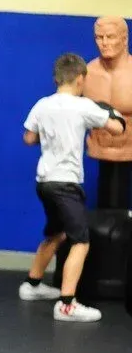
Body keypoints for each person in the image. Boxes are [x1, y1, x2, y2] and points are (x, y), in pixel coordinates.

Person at [19, 53, 127, 322]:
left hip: (44, 182)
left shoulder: (42, 105)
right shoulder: (84, 106)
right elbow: (117, 129)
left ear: (57, 78)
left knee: (56, 234)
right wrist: (111, 112)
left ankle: (31, 285)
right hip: (66, 184)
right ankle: (66, 304)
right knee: (81, 241)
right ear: (81, 79)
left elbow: (29, 138)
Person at [82, 16, 132, 209]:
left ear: (124, 38)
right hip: (99, 149)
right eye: (99, 37)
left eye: (110, 37)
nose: (104, 43)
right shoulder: (88, 73)